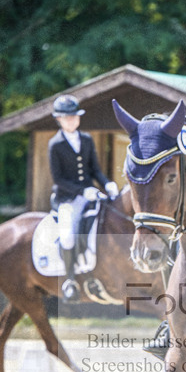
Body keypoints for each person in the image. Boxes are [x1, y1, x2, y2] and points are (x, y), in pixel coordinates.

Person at [48, 94, 119, 302]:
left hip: (90, 195)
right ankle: (70, 280)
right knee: (68, 235)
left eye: (75, 116)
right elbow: (58, 179)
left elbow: (95, 169)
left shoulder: (86, 139)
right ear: (59, 119)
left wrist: (107, 183)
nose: (72, 120)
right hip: (67, 198)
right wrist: (81, 191)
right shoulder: (55, 144)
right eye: (67, 117)